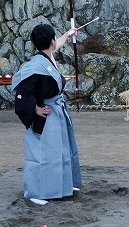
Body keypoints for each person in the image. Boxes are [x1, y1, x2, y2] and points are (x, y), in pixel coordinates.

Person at [12, 23, 81, 205]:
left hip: (56, 112)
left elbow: (55, 45)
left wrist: (67, 34)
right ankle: (36, 192)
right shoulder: (34, 66)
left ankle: (62, 185)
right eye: (54, 40)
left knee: (61, 152)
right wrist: (34, 108)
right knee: (41, 156)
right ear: (50, 41)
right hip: (44, 115)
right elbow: (22, 94)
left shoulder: (47, 56)